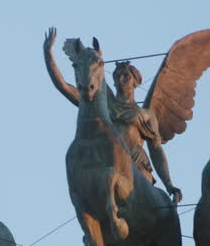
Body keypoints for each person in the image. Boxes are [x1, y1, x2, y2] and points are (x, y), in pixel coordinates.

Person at [42, 28, 182, 204]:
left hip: (137, 168)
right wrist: (48, 55)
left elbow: (156, 150)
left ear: (135, 81)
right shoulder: (102, 104)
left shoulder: (145, 115)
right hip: (106, 163)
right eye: (117, 75)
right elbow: (64, 86)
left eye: (126, 75)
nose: (121, 79)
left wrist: (169, 184)